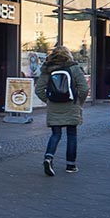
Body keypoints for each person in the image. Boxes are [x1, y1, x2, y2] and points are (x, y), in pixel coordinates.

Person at [34, 46, 89, 176]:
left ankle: (48, 157)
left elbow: (38, 90)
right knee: (72, 135)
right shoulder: (73, 68)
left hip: (54, 106)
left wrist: (48, 100)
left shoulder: (47, 69)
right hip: (71, 105)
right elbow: (84, 88)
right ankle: (70, 165)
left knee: (56, 134)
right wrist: (79, 102)